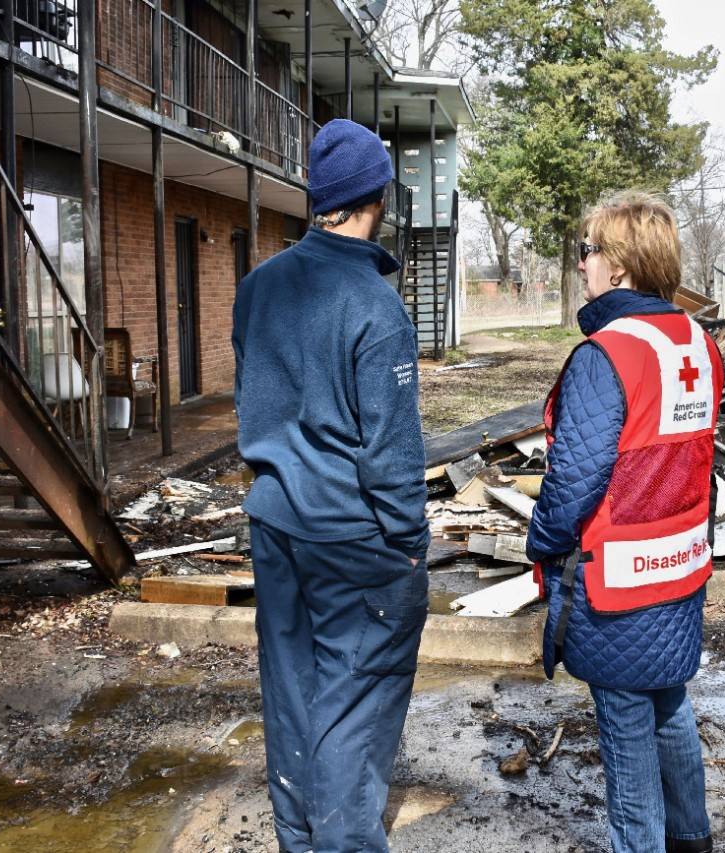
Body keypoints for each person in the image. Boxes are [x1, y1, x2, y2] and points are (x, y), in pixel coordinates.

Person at [232, 118, 429, 853]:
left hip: (277, 526)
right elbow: (389, 451)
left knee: (292, 691)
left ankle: (300, 839)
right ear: (379, 195)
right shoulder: (376, 307)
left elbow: (254, 394)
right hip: (353, 538)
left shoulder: (258, 288)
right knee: (354, 700)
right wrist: (409, 546)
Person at [527, 191, 723, 853]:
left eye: (589, 251)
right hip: (681, 573)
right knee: (670, 707)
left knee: (627, 738)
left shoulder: (605, 354)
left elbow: (574, 481)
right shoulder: (697, 342)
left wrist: (542, 542)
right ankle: (693, 836)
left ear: (619, 265)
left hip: (617, 587)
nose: (582, 264)